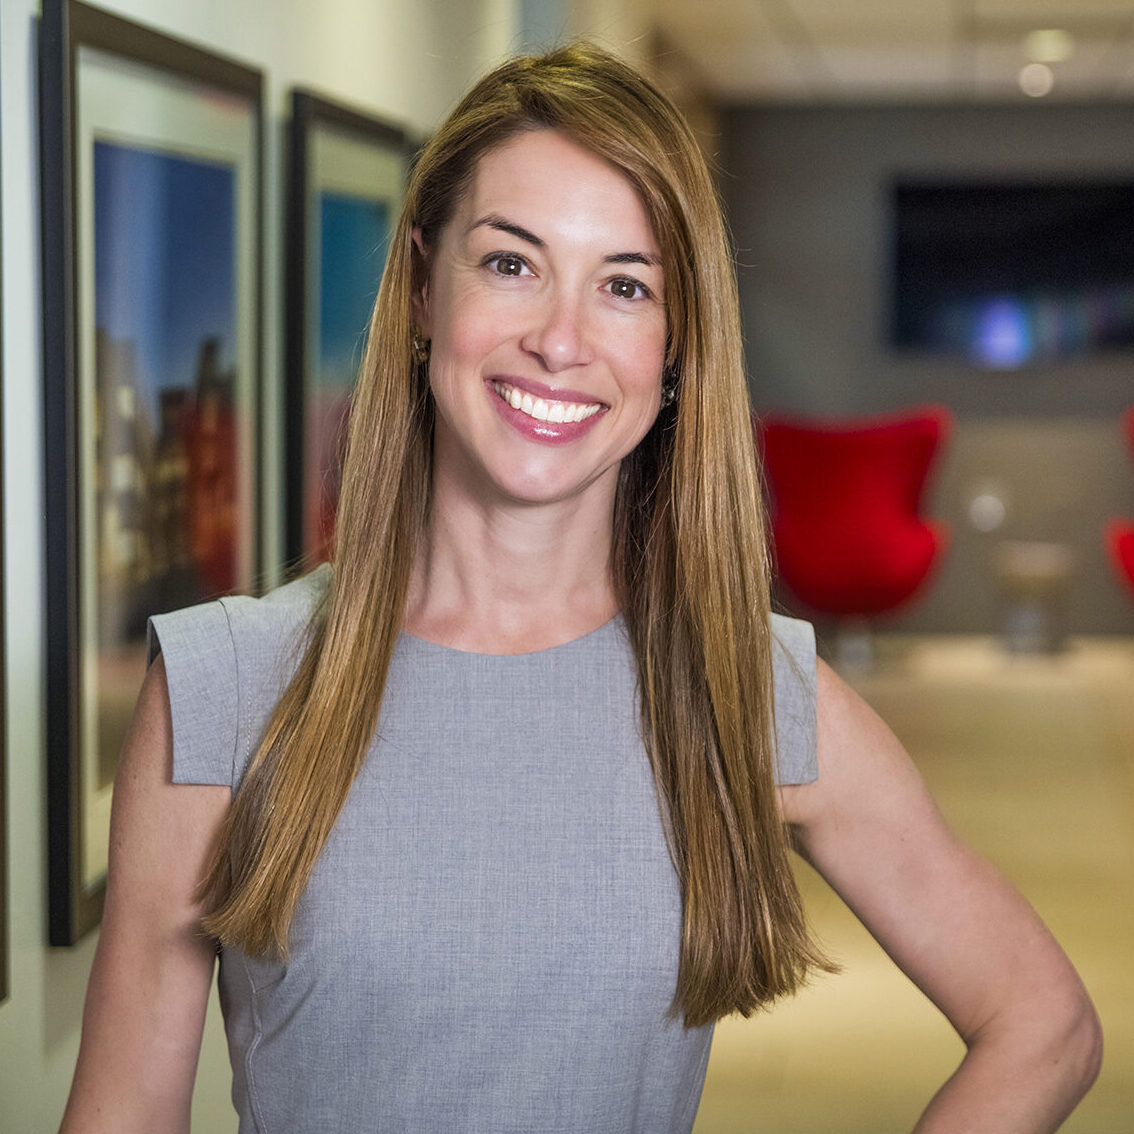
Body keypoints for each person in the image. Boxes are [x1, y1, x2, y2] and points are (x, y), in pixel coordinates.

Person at [59, 42, 1101, 1134]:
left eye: (625, 285)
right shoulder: (225, 685)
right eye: (512, 263)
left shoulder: (742, 687)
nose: (561, 340)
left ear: (674, 345)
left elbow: (1045, 1025)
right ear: (422, 286)